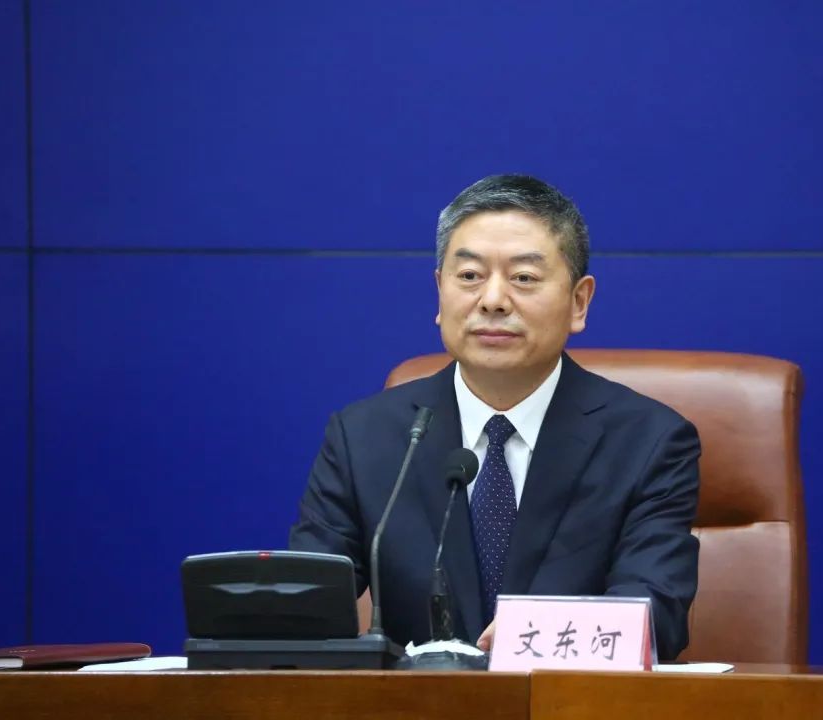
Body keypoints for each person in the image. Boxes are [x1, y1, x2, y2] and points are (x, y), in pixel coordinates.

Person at [289, 174, 700, 660]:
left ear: (579, 302)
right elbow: (305, 611)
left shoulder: (649, 441)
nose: (493, 300)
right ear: (439, 292)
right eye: (469, 276)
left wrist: (538, 635)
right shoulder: (363, 438)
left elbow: (655, 613)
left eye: (524, 278)